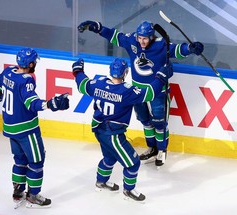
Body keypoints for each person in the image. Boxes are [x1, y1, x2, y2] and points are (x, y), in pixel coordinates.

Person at [77, 20, 204, 167]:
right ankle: (152, 148)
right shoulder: (132, 41)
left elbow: (178, 50)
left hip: (158, 92)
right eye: (139, 38)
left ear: (151, 37)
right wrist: (97, 28)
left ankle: (162, 150)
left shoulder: (161, 45)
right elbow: (115, 36)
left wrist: (191, 48)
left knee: (160, 123)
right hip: (137, 92)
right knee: (145, 121)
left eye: (145, 38)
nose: (141, 41)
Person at [72, 57, 173, 201]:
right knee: (133, 164)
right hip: (113, 134)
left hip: (99, 130)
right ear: (125, 73)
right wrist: (161, 77)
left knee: (109, 157)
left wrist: (77, 70)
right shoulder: (127, 92)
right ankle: (129, 191)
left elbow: (82, 84)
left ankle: (101, 182)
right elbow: (149, 93)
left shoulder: (99, 83)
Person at [0, 47, 69, 208]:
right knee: (37, 160)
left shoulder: (8, 72)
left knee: (20, 160)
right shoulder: (26, 80)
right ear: (31, 63)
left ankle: (18, 191)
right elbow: (32, 104)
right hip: (26, 130)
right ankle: (33, 195)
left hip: (10, 128)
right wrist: (51, 104)